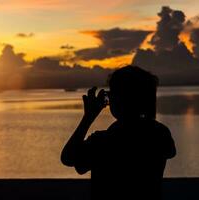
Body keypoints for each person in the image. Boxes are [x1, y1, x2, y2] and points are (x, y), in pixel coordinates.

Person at [61, 65, 176, 200]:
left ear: (120, 99)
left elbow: (68, 158)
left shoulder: (102, 142)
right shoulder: (160, 134)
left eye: (111, 94)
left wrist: (88, 118)